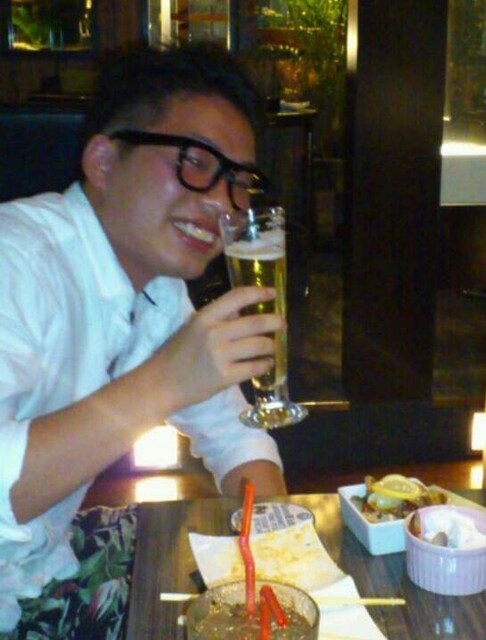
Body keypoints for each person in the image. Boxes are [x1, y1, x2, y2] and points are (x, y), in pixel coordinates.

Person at [0, 43, 288, 637]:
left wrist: (279, 549)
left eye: (238, 183)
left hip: (46, 563)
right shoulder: (17, 260)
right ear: (103, 161)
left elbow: (234, 433)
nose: (222, 204)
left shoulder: (157, 289)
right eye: (195, 161)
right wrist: (162, 384)